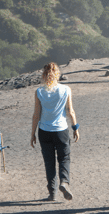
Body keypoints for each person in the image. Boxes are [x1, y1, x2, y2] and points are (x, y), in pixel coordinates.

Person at [31, 63, 80, 201]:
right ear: (57, 74)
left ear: (44, 75)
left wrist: (32, 134)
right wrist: (75, 128)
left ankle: (52, 193)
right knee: (64, 158)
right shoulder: (66, 89)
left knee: (49, 162)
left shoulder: (39, 92)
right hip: (61, 131)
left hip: (44, 131)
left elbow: (36, 115)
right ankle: (64, 182)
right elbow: (70, 111)